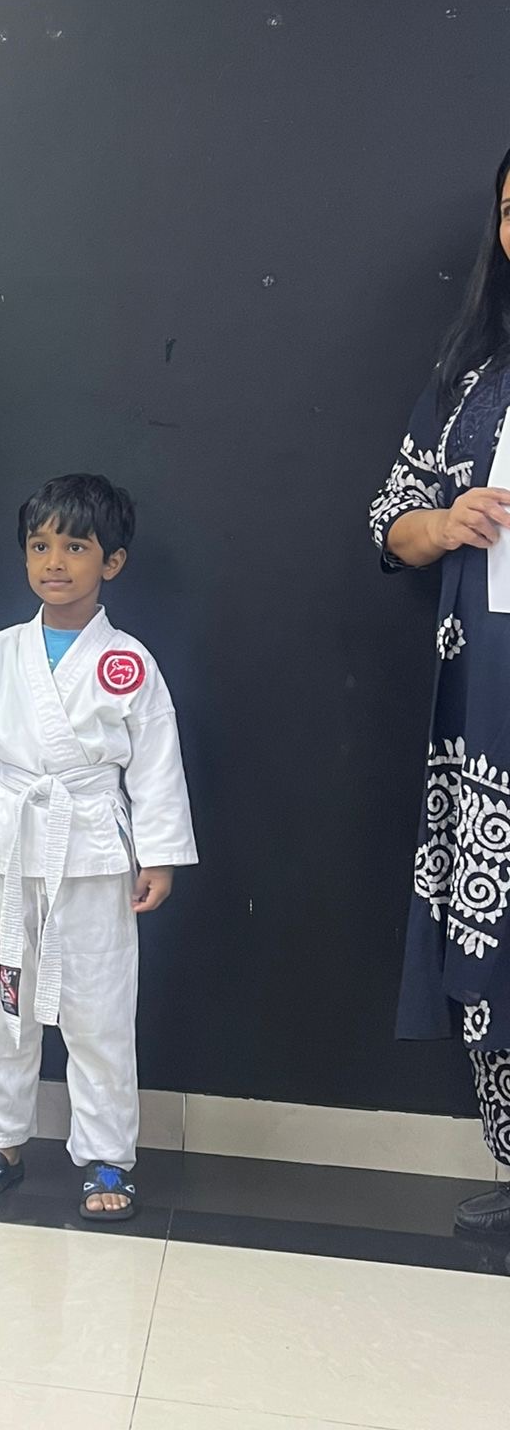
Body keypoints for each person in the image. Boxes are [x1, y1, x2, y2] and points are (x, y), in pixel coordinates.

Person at [0, 474, 197, 1223]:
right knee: (0, 1001)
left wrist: (159, 852)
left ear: (114, 562)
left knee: (100, 1007)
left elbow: (157, 762)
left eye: (76, 545)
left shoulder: (127, 661)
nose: (55, 562)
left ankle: (108, 1155)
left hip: (94, 850)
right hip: (8, 843)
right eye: (41, 545)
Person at [370, 145, 510, 1236]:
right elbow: (391, 520)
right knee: (489, 925)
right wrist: (446, 520)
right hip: (489, 691)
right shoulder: (472, 373)